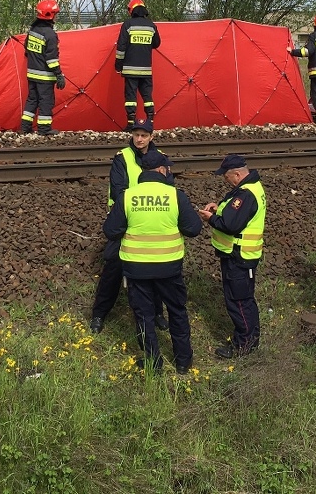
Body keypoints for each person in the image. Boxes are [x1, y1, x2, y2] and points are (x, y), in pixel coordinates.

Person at [102, 150, 202, 374]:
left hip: (137, 267)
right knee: (177, 311)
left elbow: (111, 231)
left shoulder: (127, 196)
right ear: (161, 170)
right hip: (169, 266)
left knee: (143, 315)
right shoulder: (176, 195)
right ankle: (183, 361)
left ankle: (153, 362)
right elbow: (193, 229)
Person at [90, 118, 169, 334]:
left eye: (144, 135)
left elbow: (168, 186)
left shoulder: (161, 157)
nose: (140, 139)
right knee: (113, 268)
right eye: (136, 135)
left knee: (154, 268)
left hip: (151, 220)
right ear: (132, 136)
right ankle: (99, 314)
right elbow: (118, 190)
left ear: (151, 137)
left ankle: (158, 313)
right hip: (124, 220)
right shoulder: (122, 158)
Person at [198, 154, 266, 358]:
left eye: (226, 177)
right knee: (244, 299)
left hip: (239, 256)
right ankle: (250, 340)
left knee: (239, 301)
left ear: (237, 174)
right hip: (242, 255)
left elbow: (230, 225)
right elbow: (237, 215)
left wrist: (212, 219)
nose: (225, 180)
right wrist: (220, 209)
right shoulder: (250, 188)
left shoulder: (246, 194)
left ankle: (243, 345)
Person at [21, 0, 66, 136]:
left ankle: (24, 127)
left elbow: (27, 51)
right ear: (49, 15)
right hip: (44, 76)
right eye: (55, 14)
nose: (56, 17)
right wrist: (59, 74)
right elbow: (52, 59)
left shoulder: (33, 31)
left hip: (31, 74)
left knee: (32, 100)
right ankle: (44, 129)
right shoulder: (50, 35)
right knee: (46, 102)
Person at [115, 0, 161, 130]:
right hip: (146, 70)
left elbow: (121, 47)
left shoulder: (128, 25)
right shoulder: (151, 26)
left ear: (132, 10)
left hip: (130, 69)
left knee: (131, 96)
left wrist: (118, 65)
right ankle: (150, 122)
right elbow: (157, 43)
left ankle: (130, 124)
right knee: (147, 95)